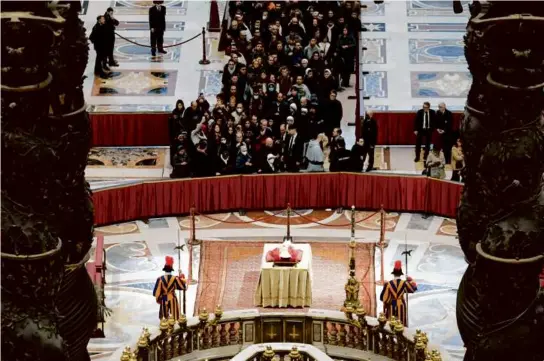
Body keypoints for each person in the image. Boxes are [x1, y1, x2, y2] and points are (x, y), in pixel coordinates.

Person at [380, 260, 417, 326]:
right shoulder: (404, 283)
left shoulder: (388, 284)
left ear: (393, 274)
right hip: (401, 304)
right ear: (400, 274)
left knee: (391, 322)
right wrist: (410, 280)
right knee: (401, 323)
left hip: (391, 304)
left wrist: (386, 304)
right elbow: (413, 289)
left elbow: (384, 298)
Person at [152, 256, 187, 321]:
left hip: (164, 298)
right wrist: (182, 278)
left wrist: (159, 297)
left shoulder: (160, 279)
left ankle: (164, 326)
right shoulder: (175, 278)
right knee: (175, 316)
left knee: (164, 316)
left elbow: (155, 293)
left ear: (164, 270)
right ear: (171, 270)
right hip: (173, 298)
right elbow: (182, 287)